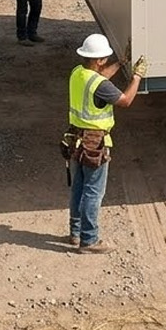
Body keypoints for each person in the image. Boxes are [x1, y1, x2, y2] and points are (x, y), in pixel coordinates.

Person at [65, 34, 147, 254]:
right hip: (95, 143)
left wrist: (120, 63)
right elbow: (125, 100)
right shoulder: (99, 84)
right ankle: (89, 240)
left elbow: (100, 79)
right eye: (106, 58)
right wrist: (137, 76)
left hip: (76, 140)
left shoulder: (78, 73)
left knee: (79, 189)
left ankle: (75, 233)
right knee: (93, 192)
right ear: (99, 60)